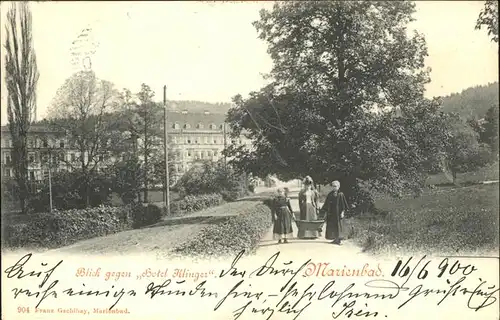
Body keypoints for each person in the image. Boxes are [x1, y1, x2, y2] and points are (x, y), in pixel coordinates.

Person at [321, 180, 349, 245]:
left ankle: (339, 239)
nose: (334, 188)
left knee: (339, 226)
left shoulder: (341, 194)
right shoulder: (330, 194)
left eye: (335, 186)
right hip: (332, 213)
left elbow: (343, 205)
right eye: (333, 186)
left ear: (338, 187)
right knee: (333, 226)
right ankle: (335, 239)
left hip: (338, 213)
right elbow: (327, 204)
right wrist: (325, 211)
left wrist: (342, 212)